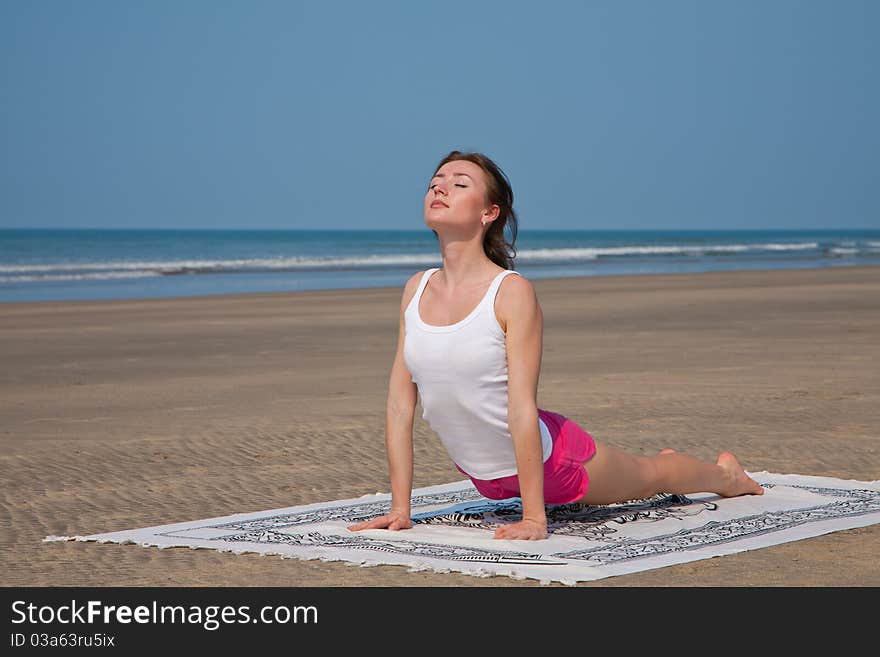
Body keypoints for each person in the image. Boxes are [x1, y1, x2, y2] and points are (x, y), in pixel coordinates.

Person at [349, 150, 763, 541]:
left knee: (651, 476)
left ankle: (726, 476)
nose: (440, 188)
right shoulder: (415, 289)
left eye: (459, 184)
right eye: (435, 181)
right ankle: (665, 463)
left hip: (556, 462)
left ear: (488, 213)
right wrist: (400, 510)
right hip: (485, 476)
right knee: (645, 471)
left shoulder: (511, 293)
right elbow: (400, 407)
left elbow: (521, 408)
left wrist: (534, 518)